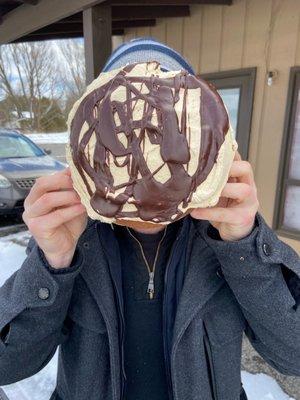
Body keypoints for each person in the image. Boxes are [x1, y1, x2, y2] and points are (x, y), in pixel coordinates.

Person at [0, 39, 299, 400]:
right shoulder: (72, 236)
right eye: (122, 136)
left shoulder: (227, 233)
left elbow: (293, 354)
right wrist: (52, 266)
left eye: (164, 134)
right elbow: (9, 365)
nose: (145, 167)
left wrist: (247, 248)